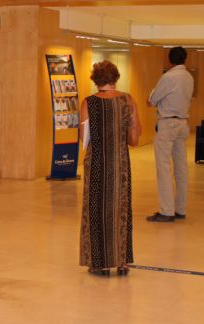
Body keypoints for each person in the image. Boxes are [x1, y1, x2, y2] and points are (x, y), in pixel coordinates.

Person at [80, 60, 141, 276]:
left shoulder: (88, 103)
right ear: (116, 78)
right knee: (121, 210)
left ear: (95, 80)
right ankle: (122, 262)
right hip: (120, 164)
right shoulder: (128, 101)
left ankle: (100, 263)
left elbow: (84, 140)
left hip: (96, 163)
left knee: (96, 210)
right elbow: (134, 139)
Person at [146, 47, 194, 222]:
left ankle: (167, 211)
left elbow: (151, 100)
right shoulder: (189, 77)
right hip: (182, 124)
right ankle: (180, 209)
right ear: (185, 59)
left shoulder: (168, 77)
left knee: (164, 168)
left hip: (167, 124)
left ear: (170, 60)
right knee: (181, 168)